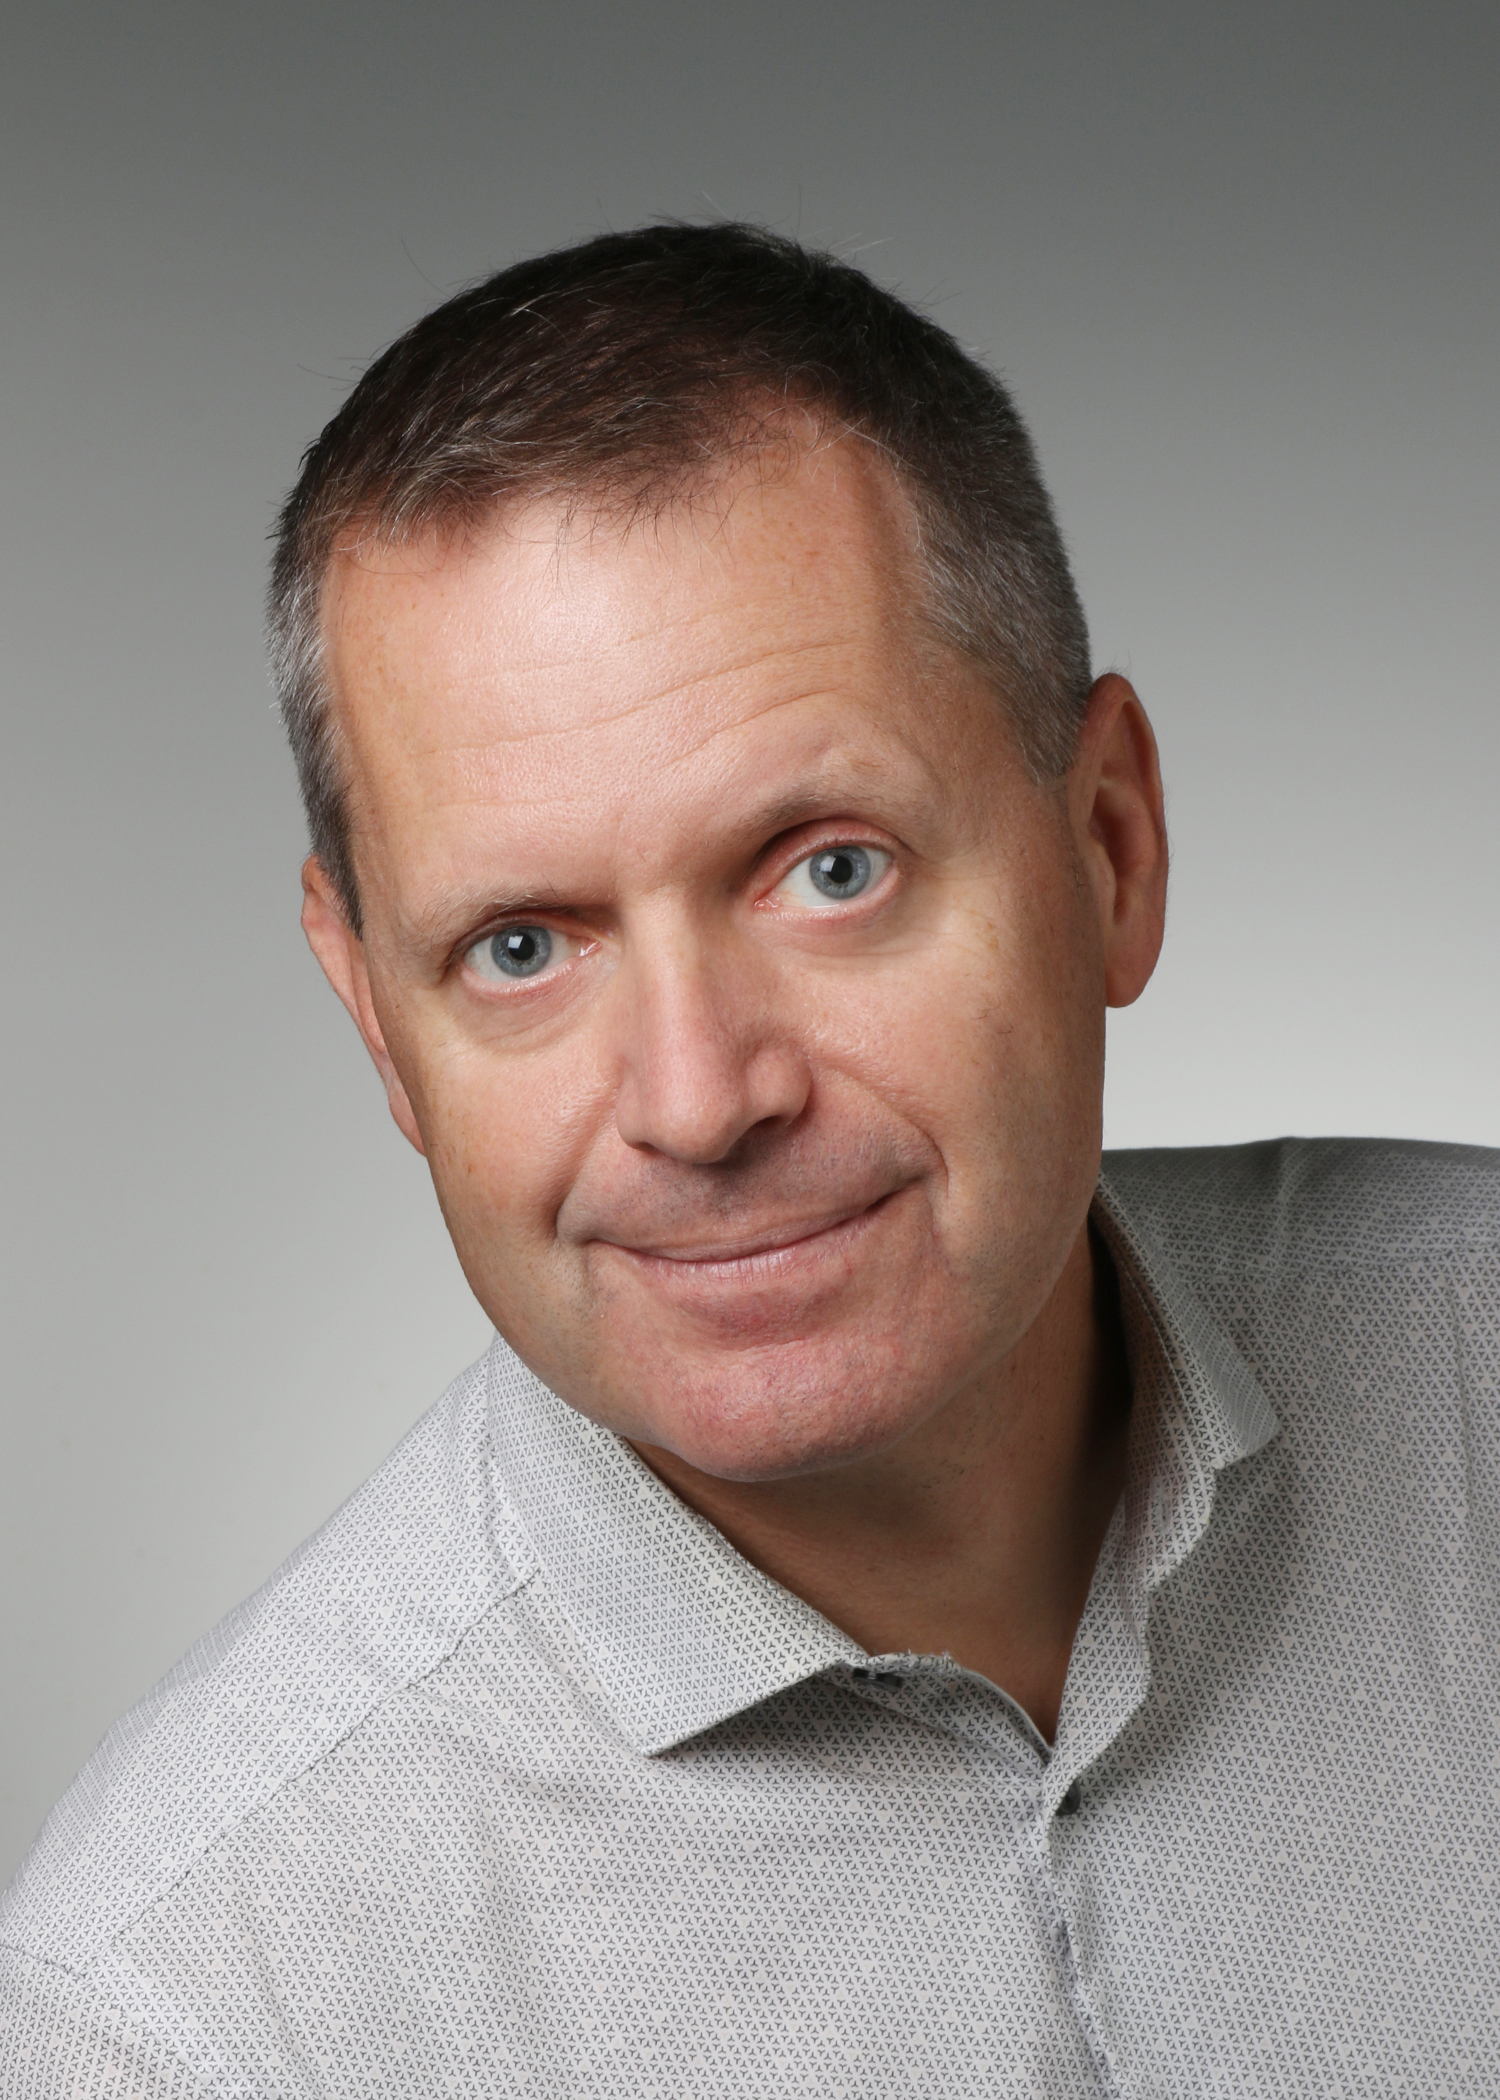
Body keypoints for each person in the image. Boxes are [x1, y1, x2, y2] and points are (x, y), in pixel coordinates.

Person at [2, 223, 1495, 2098]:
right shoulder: (188, 2015)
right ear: (378, 1019)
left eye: (828, 869)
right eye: (522, 947)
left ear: (1108, 847)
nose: (700, 1101)